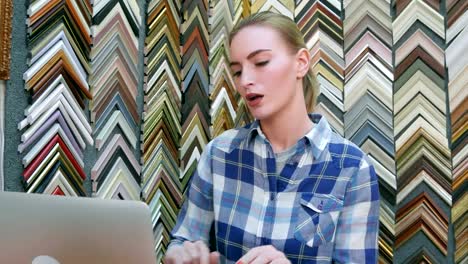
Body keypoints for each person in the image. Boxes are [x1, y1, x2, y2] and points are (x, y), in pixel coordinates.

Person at [164, 11, 380, 264]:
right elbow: (184, 238)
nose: (245, 81)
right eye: (237, 71)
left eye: (261, 62)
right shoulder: (219, 154)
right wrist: (179, 253)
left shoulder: (353, 168)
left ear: (301, 62)